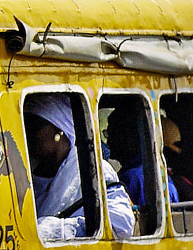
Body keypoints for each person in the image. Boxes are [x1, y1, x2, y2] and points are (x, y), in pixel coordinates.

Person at [26, 94, 136, 241]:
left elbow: (121, 223)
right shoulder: (24, 173)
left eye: (36, 126)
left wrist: (56, 230)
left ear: (59, 129)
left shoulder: (93, 169)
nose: (29, 134)